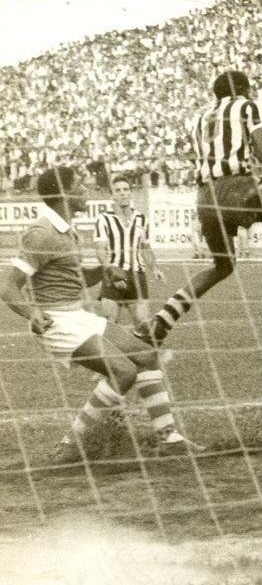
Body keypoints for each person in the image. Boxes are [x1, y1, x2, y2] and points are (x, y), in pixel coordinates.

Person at [0, 166, 198, 463]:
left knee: (146, 355)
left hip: (77, 315)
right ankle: (70, 445)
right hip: (56, 322)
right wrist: (33, 315)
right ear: (64, 193)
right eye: (80, 184)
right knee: (124, 371)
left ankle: (169, 437)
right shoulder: (40, 234)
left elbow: (74, 277)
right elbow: (9, 287)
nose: (87, 188)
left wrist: (102, 271)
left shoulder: (67, 229)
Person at [136, 70, 262, 346]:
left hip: (205, 197)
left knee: (224, 266)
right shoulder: (248, 106)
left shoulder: (200, 118)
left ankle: (161, 321)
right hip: (236, 189)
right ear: (242, 89)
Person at [94, 175, 165, 330]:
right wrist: (112, 272)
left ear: (130, 193)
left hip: (137, 276)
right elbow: (100, 249)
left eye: (126, 189)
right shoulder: (104, 219)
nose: (123, 193)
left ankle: (147, 354)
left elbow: (145, 247)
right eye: (118, 190)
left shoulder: (141, 219)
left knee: (144, 326)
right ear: (112, 195)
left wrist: (154, 269)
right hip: (113, 276)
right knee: (110, 324)